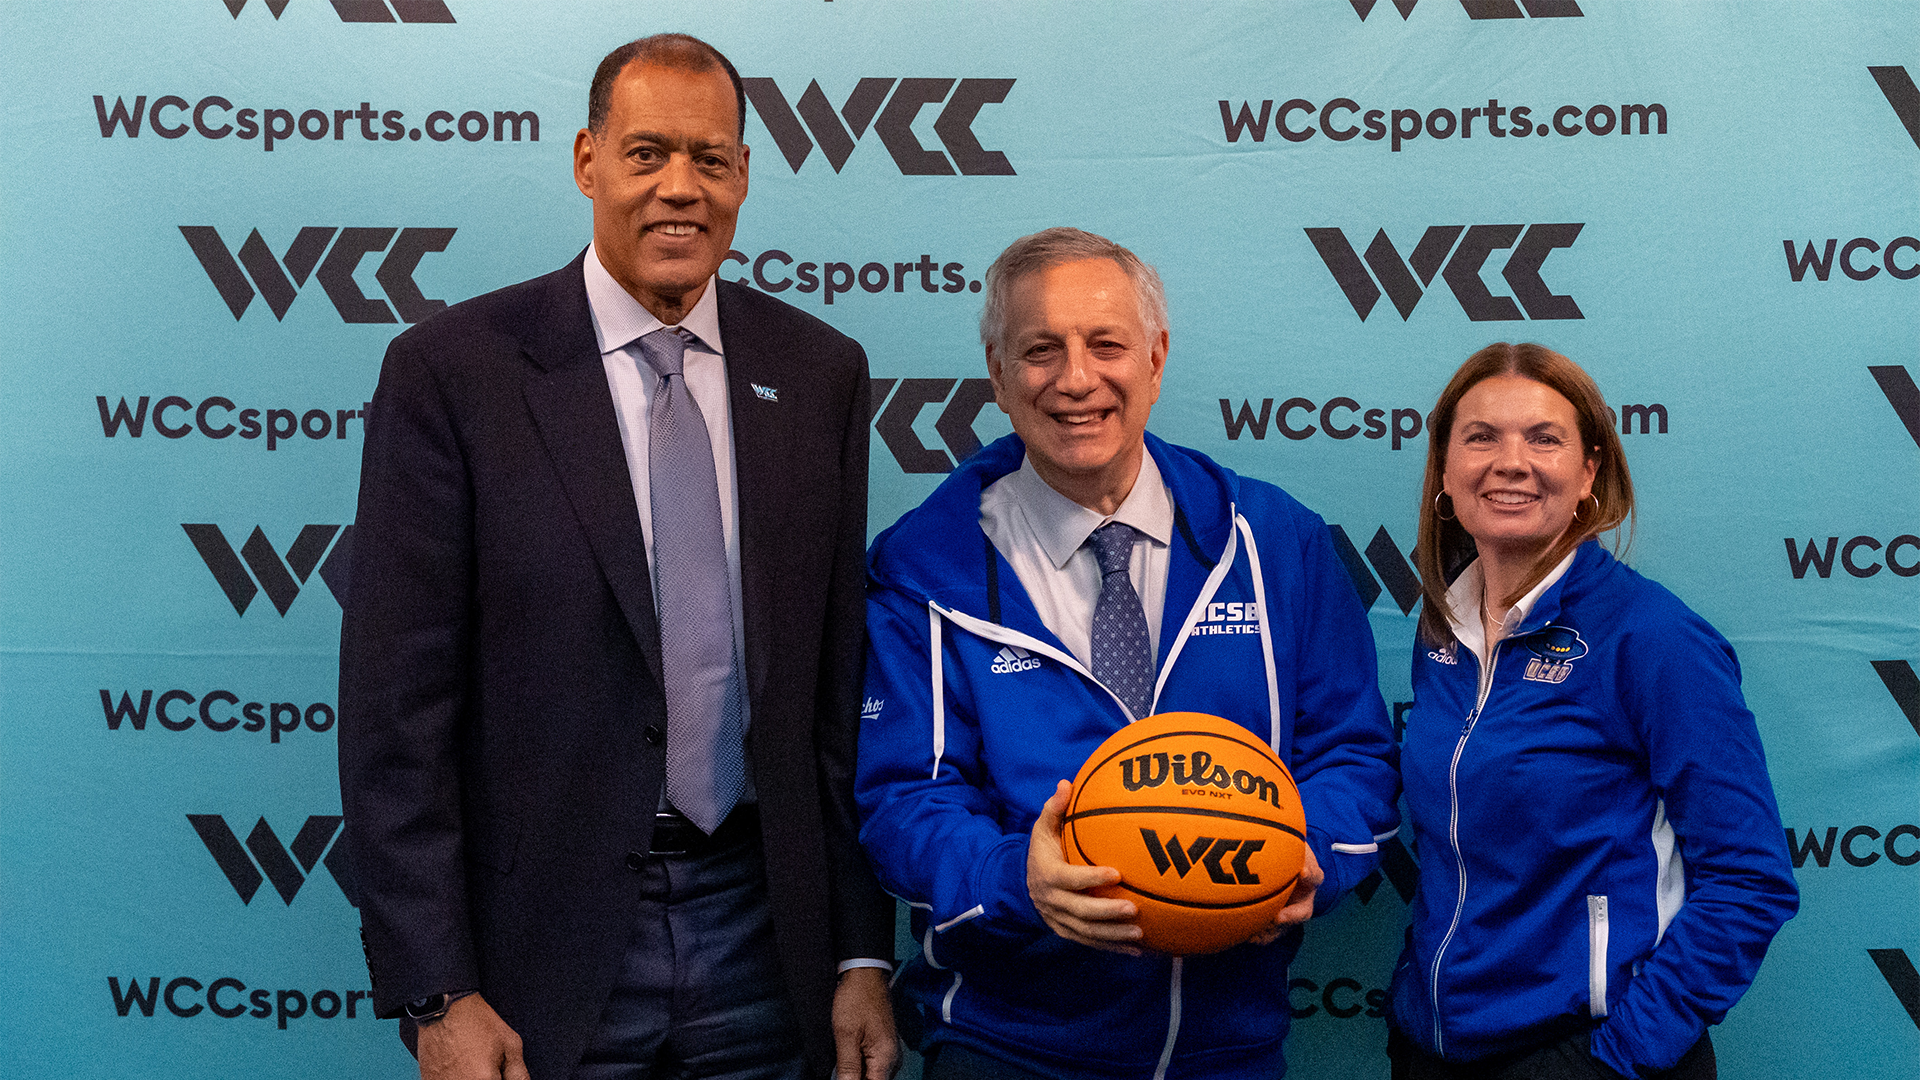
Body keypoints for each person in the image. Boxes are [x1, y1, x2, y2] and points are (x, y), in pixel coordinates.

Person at [337, 33, 897, 1080]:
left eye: (709, 158)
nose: (678, 188)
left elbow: (835, 697)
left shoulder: (820, 372)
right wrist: (436, 990)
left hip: (768, 940)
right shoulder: (453, 375)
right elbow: (394, 714)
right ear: (588, 161)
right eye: (645, 154)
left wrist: (861, 951)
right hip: (537, 953)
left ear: (743, 175)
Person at [855, 227, 1401, 1080]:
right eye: (1040, 351)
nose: (1076, 379)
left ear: (1155, 356)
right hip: (1007, 1049)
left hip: (1231, 1052)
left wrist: (1309, 854)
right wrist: (1017, 879)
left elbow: (1354, 756)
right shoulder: (926, 567)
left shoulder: (1274, 541)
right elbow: (902, 802)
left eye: (1106, 345)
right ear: (998, 378)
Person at [1386, 343, 1798, 1080]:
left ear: (1589, 473)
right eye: (1481, 436)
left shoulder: (1652, 638)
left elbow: (1749, 879)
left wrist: (1618, 1058)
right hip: (1434, 1046)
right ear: (1445, 472)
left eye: (1544, 438)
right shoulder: (1443, 626)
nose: (1511, 461)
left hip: (1587, 1051)